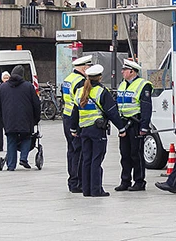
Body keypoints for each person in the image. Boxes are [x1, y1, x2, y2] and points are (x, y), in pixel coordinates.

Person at [73, 64, 125, 197]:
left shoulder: (79, 91)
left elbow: (74, 112)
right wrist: (121, 128)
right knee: (96, 159)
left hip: (84, 130)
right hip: (97, 130)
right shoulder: (102, 92)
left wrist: (74, 128)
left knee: (86, 160)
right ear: (100, 77)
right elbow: (112, 112)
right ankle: (96, 190)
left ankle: (86, 190)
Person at [115, 58, 153, 191]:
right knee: (124, 154)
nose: (122, 72)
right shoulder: (122, 85)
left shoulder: (143, 85)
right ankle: (125, 181)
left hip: (136, 123)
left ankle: (139, 181)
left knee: (136, 154)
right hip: (124, 123)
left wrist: (144, 126)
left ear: (132, 71)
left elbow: (146, 107)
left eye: (124, 70)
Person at [0, 65, 40, 171]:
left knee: (11, 140)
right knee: (26, 137)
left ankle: (11, 165)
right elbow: (36, 104)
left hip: (9, 119)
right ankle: (23, 158)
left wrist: (3, 117)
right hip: (26, 118)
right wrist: (36, 118)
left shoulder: (2, 87)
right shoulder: (28, 86)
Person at [61, 54, 92, 193]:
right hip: (75, 119)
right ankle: (77, 182)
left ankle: (72, 180)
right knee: (78, 151)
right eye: (89, 67)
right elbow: (79, 102)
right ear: (84, 68)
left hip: (66, 117)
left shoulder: (68, 79)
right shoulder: (80, 82)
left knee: (71, 150)